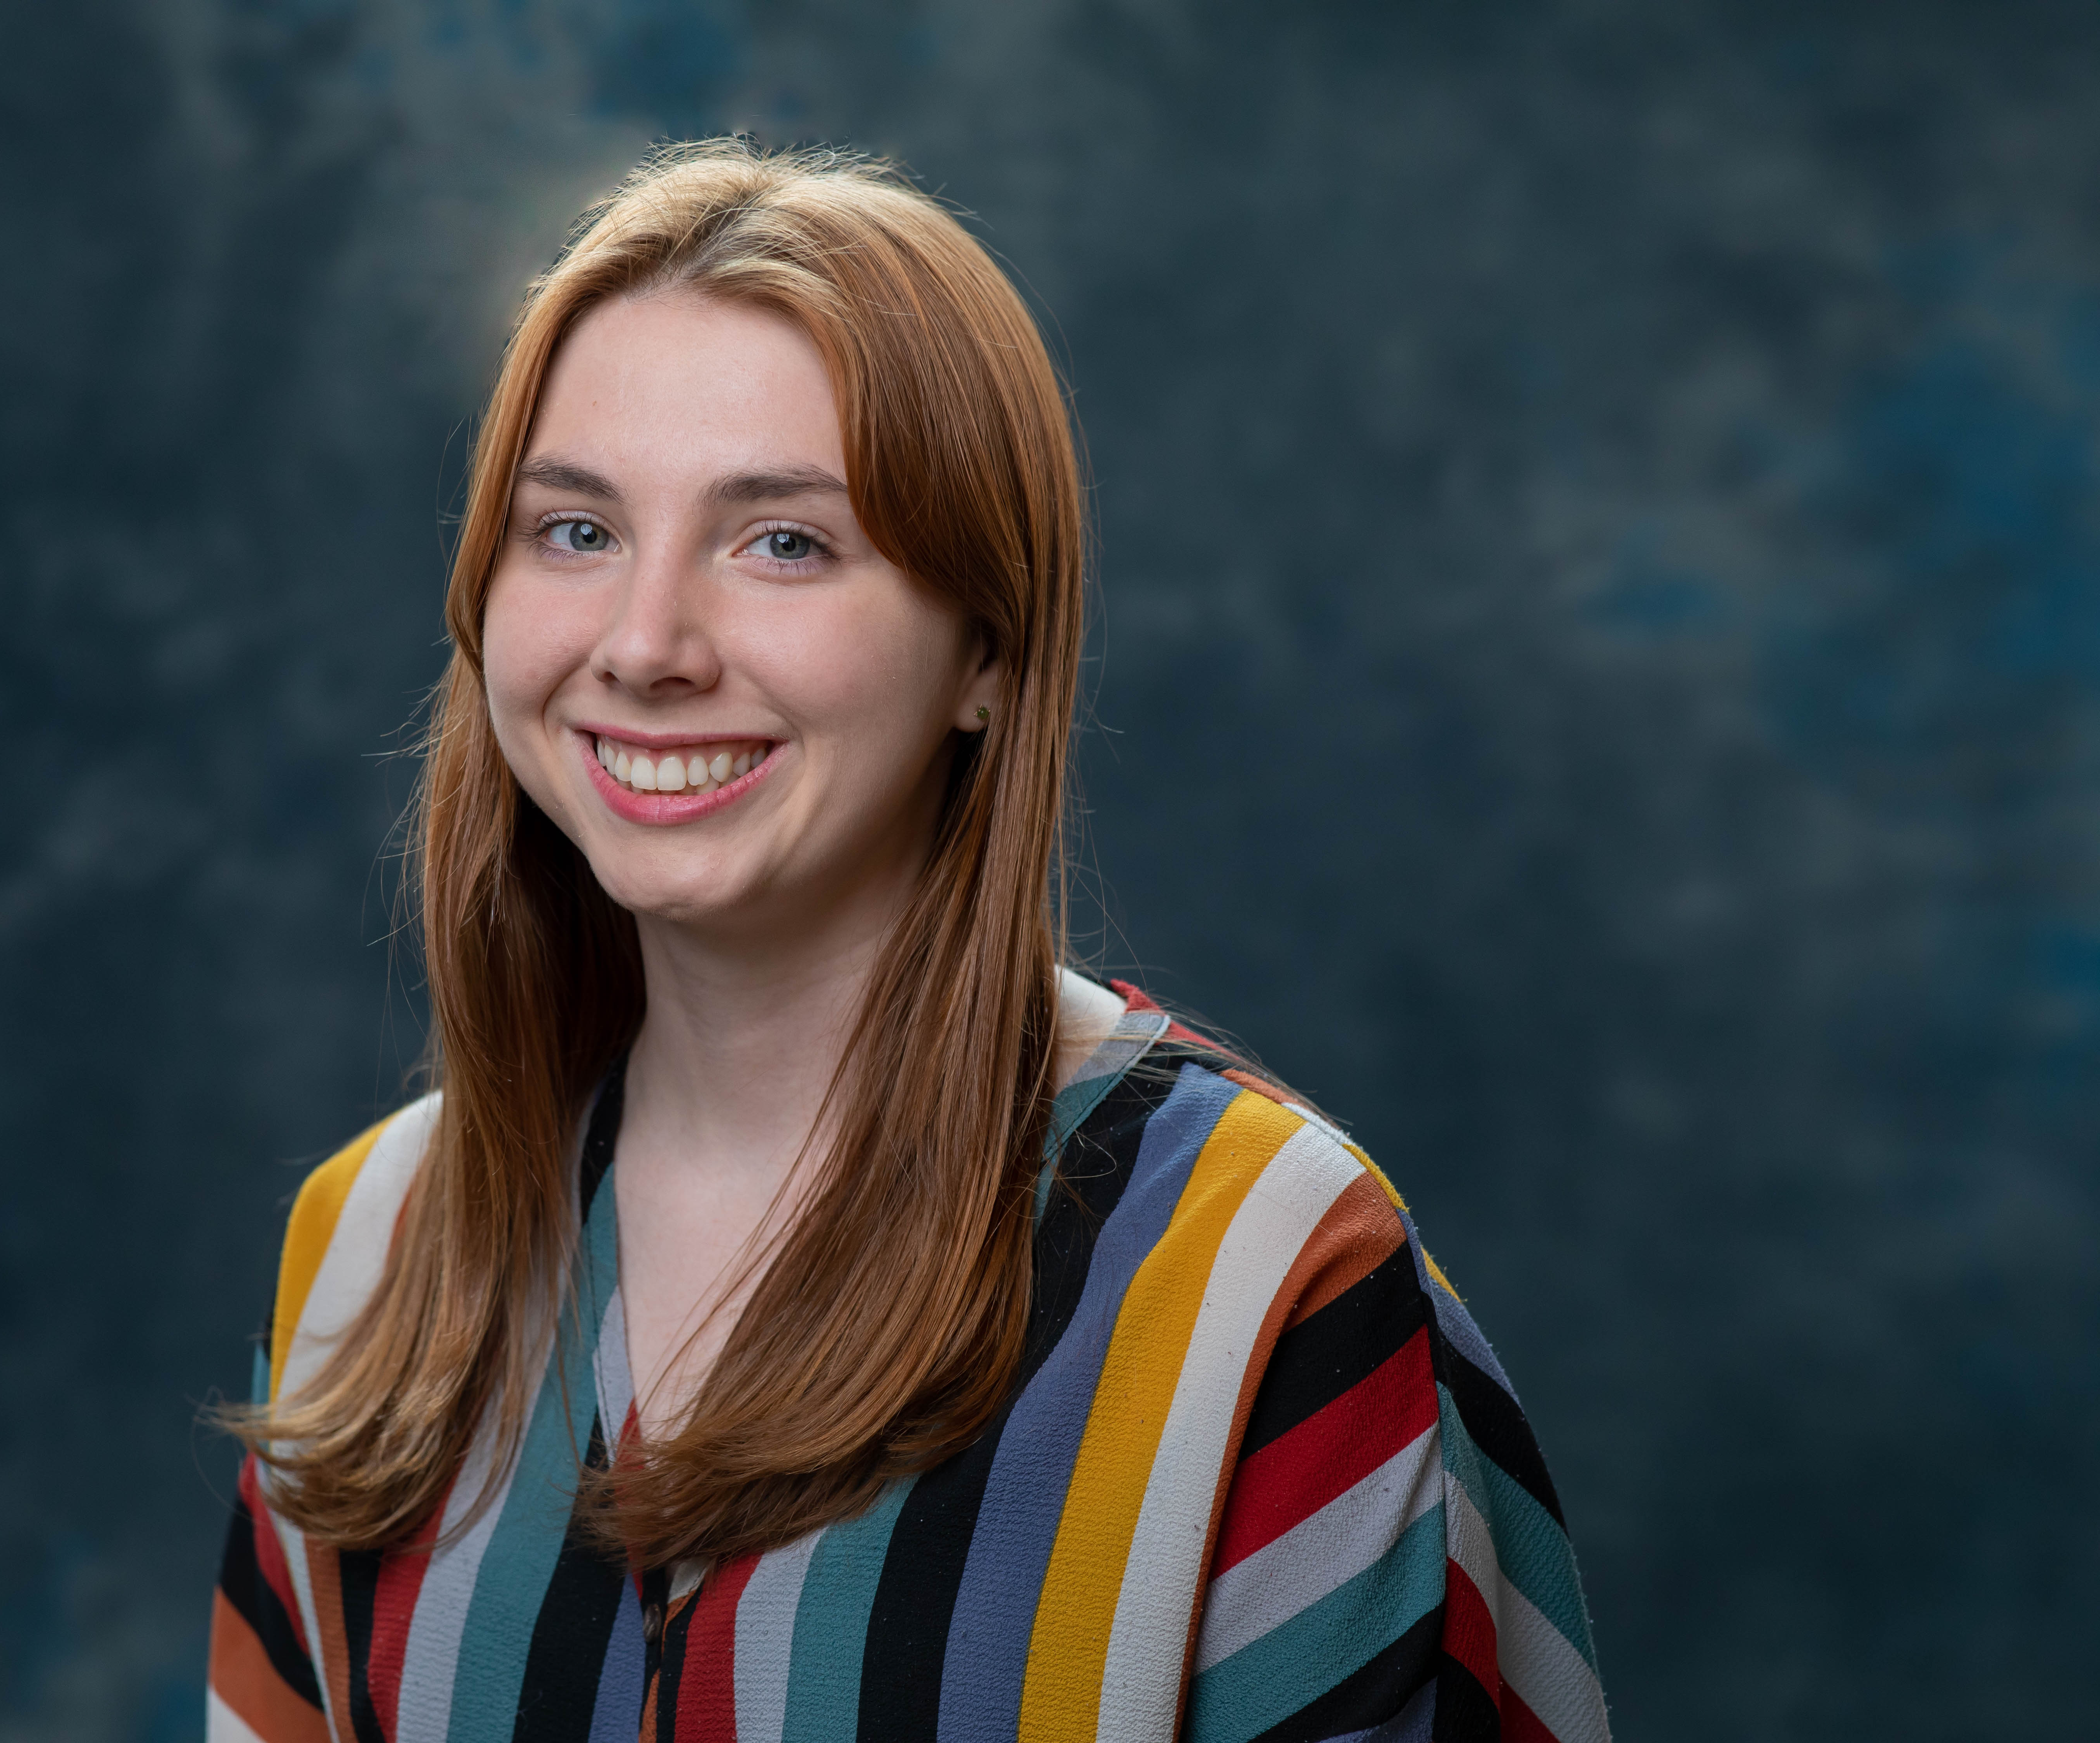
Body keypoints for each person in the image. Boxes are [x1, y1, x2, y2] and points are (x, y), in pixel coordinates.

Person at [207, 140, 1607, 1743]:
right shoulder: (368, 1256)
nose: (647, 644)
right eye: (577, 530)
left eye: (783, 540)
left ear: (988, 656)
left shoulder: (1265, 1278)